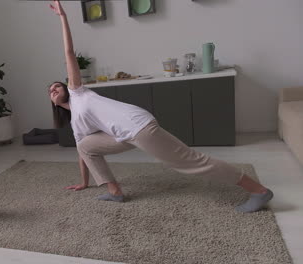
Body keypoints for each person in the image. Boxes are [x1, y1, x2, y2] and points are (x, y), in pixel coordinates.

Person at [47, 0, 273, 213]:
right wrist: (83, 183)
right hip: (124, 135)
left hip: (138, 126)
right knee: (85, 146)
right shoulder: (76, 123)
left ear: (67, 87)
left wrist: (63, 17)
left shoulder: (78, 92)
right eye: (50, 91)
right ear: (52, 102)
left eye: (57, 86)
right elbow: (84, 153)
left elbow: (69, 53)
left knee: (191, 162)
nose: (54, 90)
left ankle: (259, 191)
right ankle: (114, 191)